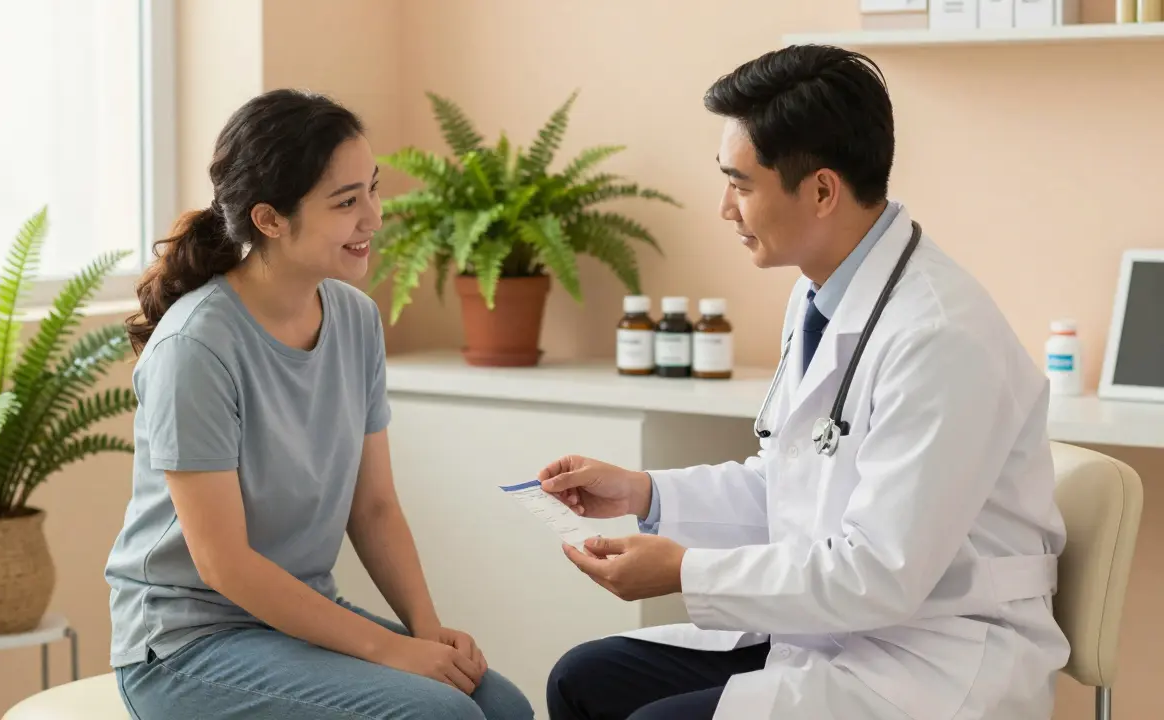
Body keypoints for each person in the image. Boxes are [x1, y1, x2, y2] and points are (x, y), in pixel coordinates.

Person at [541, 45, 1069, 720]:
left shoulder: (939, 337)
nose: (725, 209)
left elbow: (880, 573)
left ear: (821, 190)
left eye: (740, 184)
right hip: (834, 627)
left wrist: (682, 570)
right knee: (581, 680)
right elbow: (793, 486)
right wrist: (645, 493)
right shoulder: (822, 295)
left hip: (936, 655)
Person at [104, 89, 532, 720]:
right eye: (346, 202)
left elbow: (376, 506)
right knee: (443, 717)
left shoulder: (355, 320)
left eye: (373, 190)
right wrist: (389, 651)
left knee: (502, 706)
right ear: (270, 219)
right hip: (183, 647)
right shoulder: (196, 347)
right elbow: (224, 565)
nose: (375, 218)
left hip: (289, 620)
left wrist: (424, 631)